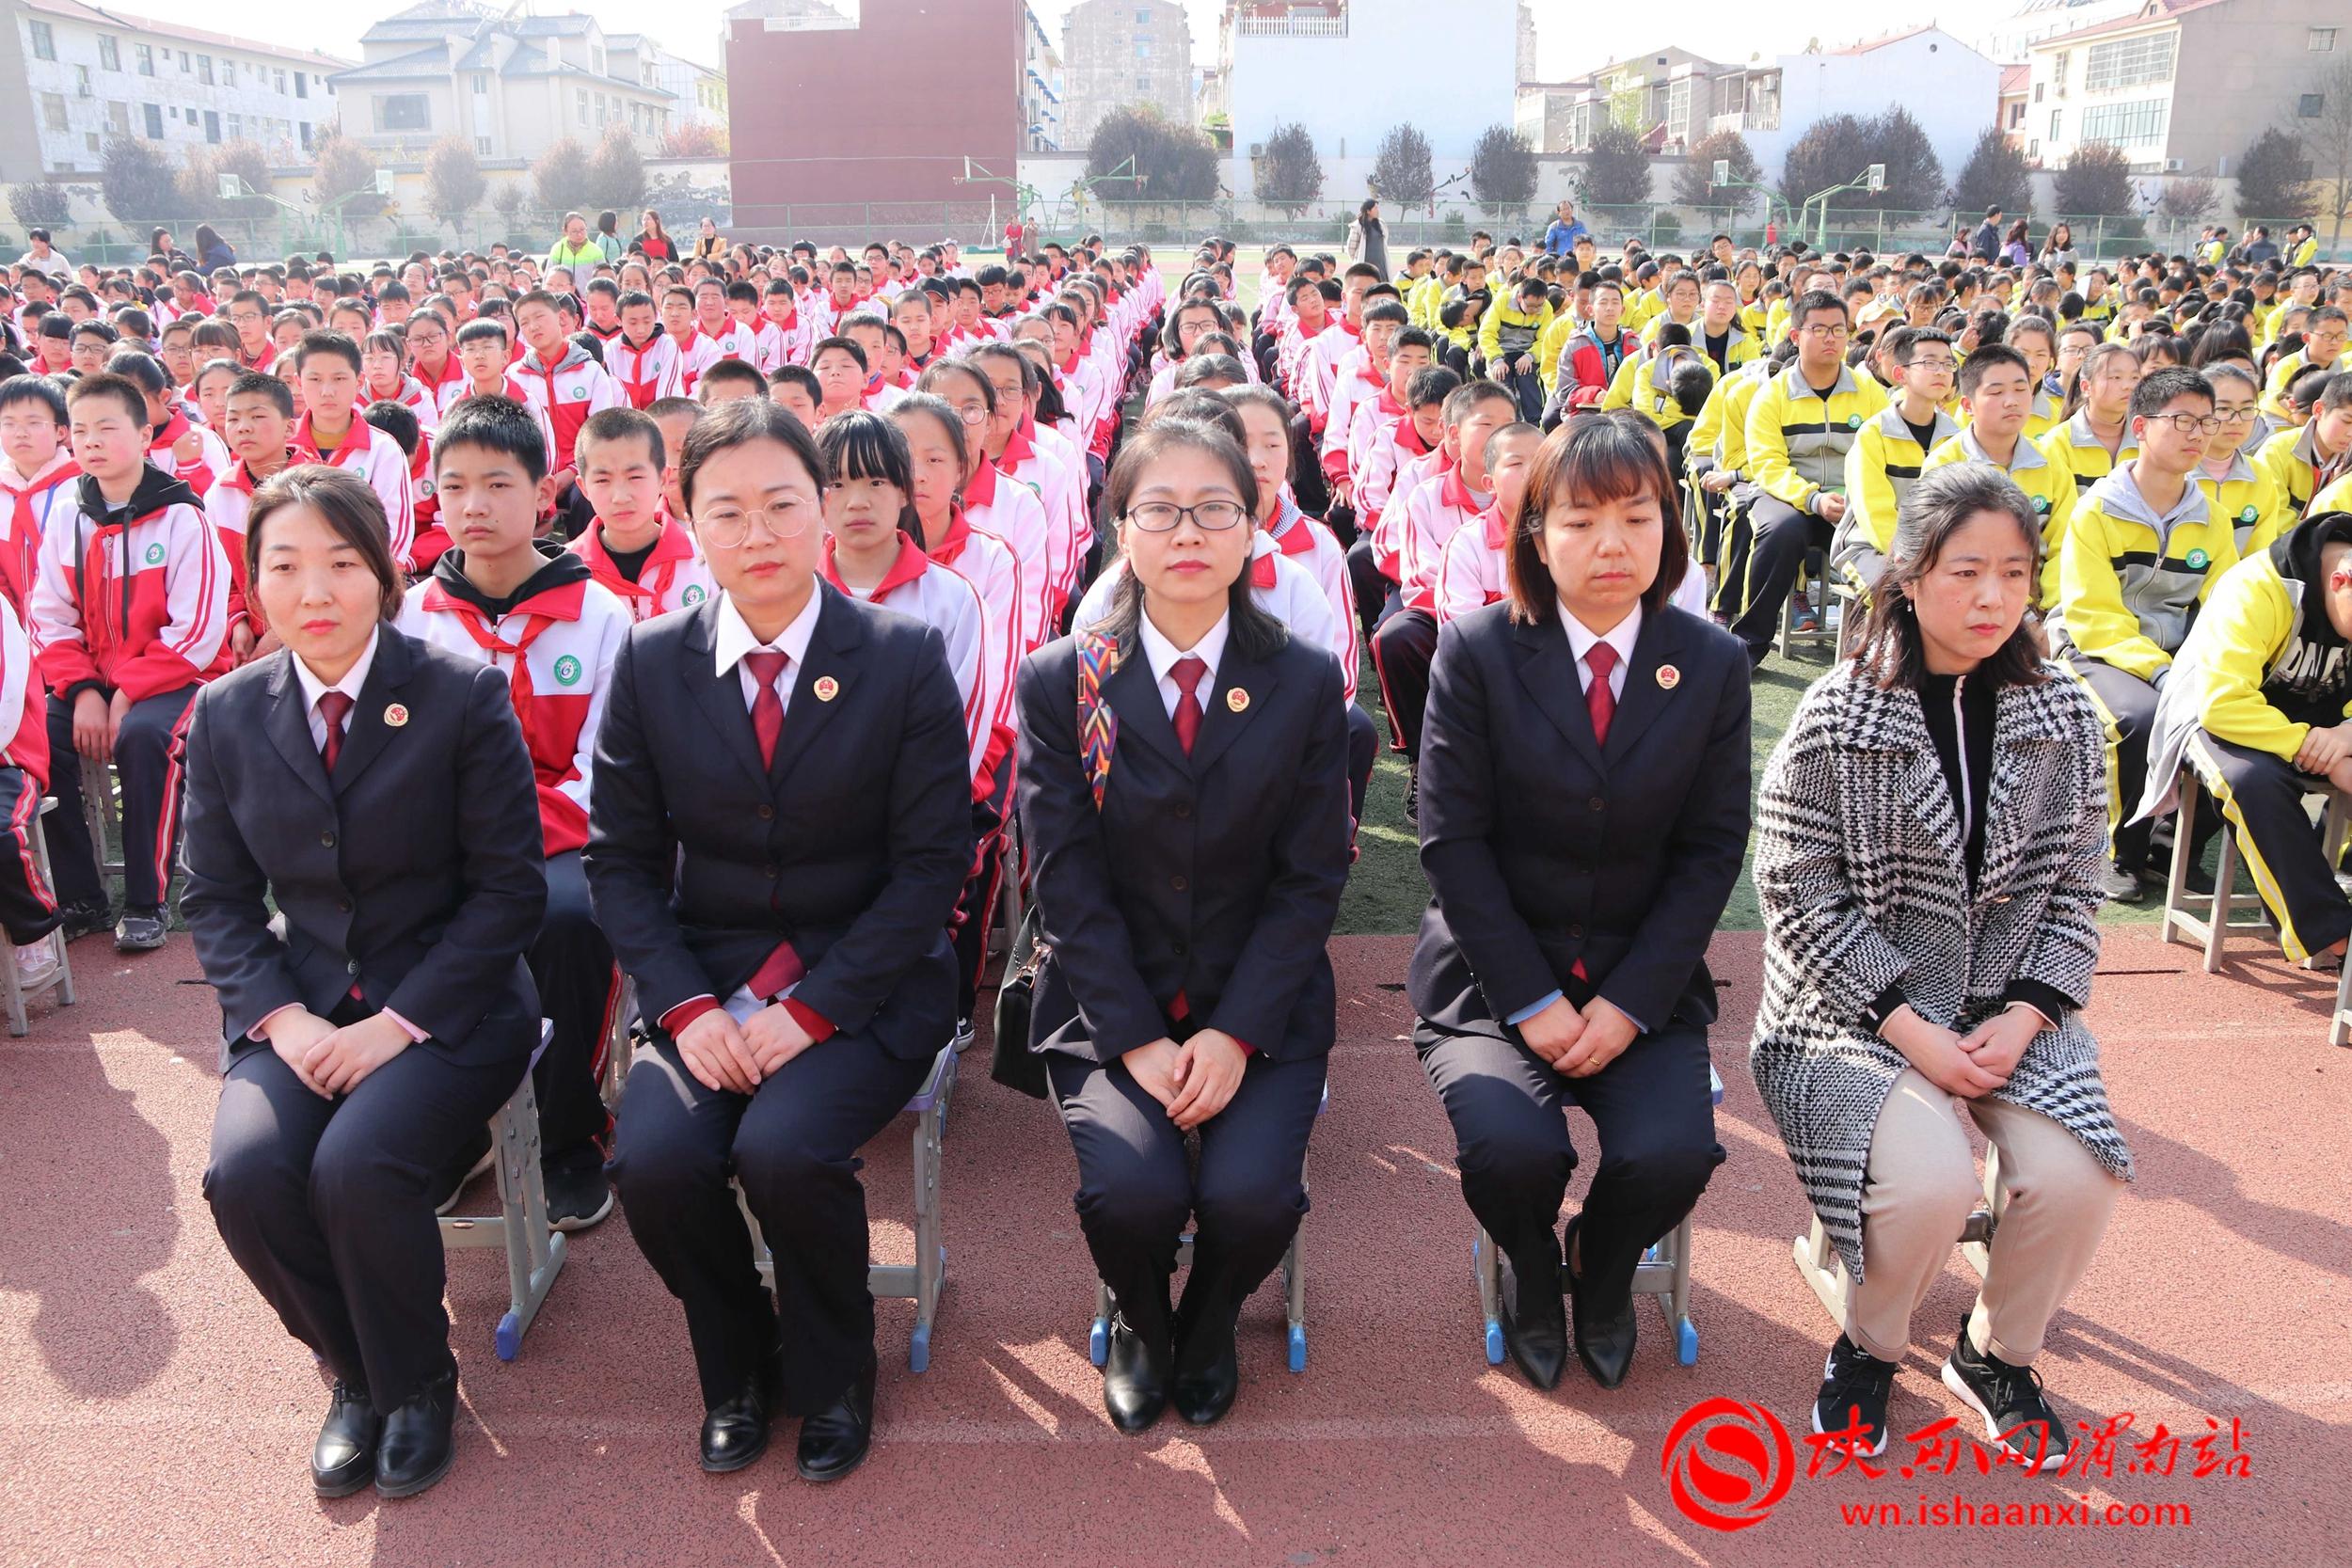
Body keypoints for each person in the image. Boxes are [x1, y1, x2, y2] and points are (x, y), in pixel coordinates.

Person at [591, 398, 972, 1480]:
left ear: (823, 509)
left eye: (781, 504)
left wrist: (813, 1008)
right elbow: (620, 863)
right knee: (655, 1161)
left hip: (868, 982)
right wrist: (684, 1008)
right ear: (689, 522)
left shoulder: (899, 655)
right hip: (708, 984)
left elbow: (931, 865)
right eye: (726, 511)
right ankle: (738, 1361)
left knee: (784, 1148)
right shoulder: (652, 660)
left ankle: (836, 1367)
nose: (756, 534)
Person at [1752, 461, 2131, 1469]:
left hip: (2009, 1004)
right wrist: (1907, 1025)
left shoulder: (2063, 712)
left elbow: (2077, 886)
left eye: (2014, 573)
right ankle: (1869, 1345)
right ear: (1912, 575)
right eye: (1967, 571)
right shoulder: (1840, 711)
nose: (1993, 596)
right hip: (1848, 1010)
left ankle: (1996, 1353)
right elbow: (1795, 887)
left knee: (2077, 1174)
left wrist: (2030, 1012)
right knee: (1928, 1184)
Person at [189, 466, 548, 1499]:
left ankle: (419, 1380)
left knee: (356, 1165)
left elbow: (510, 892)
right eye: (285, 566)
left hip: (452, 1002)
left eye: (342, 563)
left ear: (385, 573)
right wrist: (283, 1019)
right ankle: (354, 1369)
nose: (315, 591)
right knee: (245, 1176)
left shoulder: (460, 693)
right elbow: (214, 898)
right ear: (255, 581)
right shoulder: (227, 711)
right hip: (302, 1005)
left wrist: (397, 1023)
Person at [1018, 414, 1350, 1433]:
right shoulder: (1066, 678)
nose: (1189, 532)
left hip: (1260, 1004)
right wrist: (1134, 1036)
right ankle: (1141, 1315)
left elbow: (1310, 879)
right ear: (1121, 529)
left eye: (1215, 508)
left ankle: (1209, 1314)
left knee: (1254, 1199)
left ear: (1253, 527)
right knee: (1131, 1195)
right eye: (1159, 510)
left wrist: (1235, 1031)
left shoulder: (1303, 681)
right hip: (1109, 1004)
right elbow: (1064, 880)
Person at [1413, 414, 1745, 1391]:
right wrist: (1531, 998)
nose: (1612, 544)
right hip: (1493, 980)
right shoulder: (1477, 649)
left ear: (1668, 527)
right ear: (1535, 532)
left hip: (1641, 981)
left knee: (1674, 1154)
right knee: (1510, 1150)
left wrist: (1629, 1002)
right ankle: (1528, 1267)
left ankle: (1599, 1264)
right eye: (1581, 520)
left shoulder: (1710, 662)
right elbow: (1452, 843)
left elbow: (1710, 850)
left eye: (1637, 517)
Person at [395, 396, 630, 1227]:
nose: (474, 505)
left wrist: (507, 835)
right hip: (444, 842)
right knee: (403, 919)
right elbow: (400, 765)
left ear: (543, 494)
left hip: (563, 840)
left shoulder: (601, 614)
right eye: (455, 486)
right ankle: (456, 1127)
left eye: (497, 484)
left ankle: (571, 1134)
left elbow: (608, 766)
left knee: (566, 918)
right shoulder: (412, 618)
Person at [32, 372, 232, 949]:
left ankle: (147, 900)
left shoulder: (182, 517)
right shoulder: (68, 515)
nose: (91, 441)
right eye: (80, 430)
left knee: (145, 737)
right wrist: (83, 691)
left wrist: (125, 693)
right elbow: (49, 618)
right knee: (37, 736)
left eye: (107, 428)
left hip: (180, 678)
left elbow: (196, 632)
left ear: (145, 436)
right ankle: (82, 896)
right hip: (92, 682)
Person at [2053, 367, 2240, 902]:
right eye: (2182, 420)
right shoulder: (2097, 511)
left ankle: (2170, 847)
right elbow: (2094, 617)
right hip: (2094, 652)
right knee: (2139, 717)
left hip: (2177, 657)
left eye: (2206, 421)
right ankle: (2118, 853)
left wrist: (2212, 667)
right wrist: (2161, 670)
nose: (2197, 433)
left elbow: (2225, 608)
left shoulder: (2212, 518)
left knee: (2230, 712)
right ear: (2141, 426)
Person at [1724, 289, 1888, 664]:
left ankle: (1876, 646)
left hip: (1850, 498)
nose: (1831, 338)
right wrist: (1813, 498)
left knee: (1886, 539)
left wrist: (1857, 497)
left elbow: (1881, 455)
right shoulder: (1772, 395)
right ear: (1796, 336)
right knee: (1781, 531)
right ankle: (1749, 644)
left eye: (1838, 330)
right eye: (1820, 329)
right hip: (1785, 496)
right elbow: (1768, 465)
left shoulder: (1869, 392)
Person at [1345, 198, 1390, 278]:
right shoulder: (1358, 226)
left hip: (1381, 266)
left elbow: (1385, 242)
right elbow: (1351, 248)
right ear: (1368, 211)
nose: (1378, 211)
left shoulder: (1381, 224)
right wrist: (1357, 260)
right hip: (1365, 266)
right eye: (1375, 208)